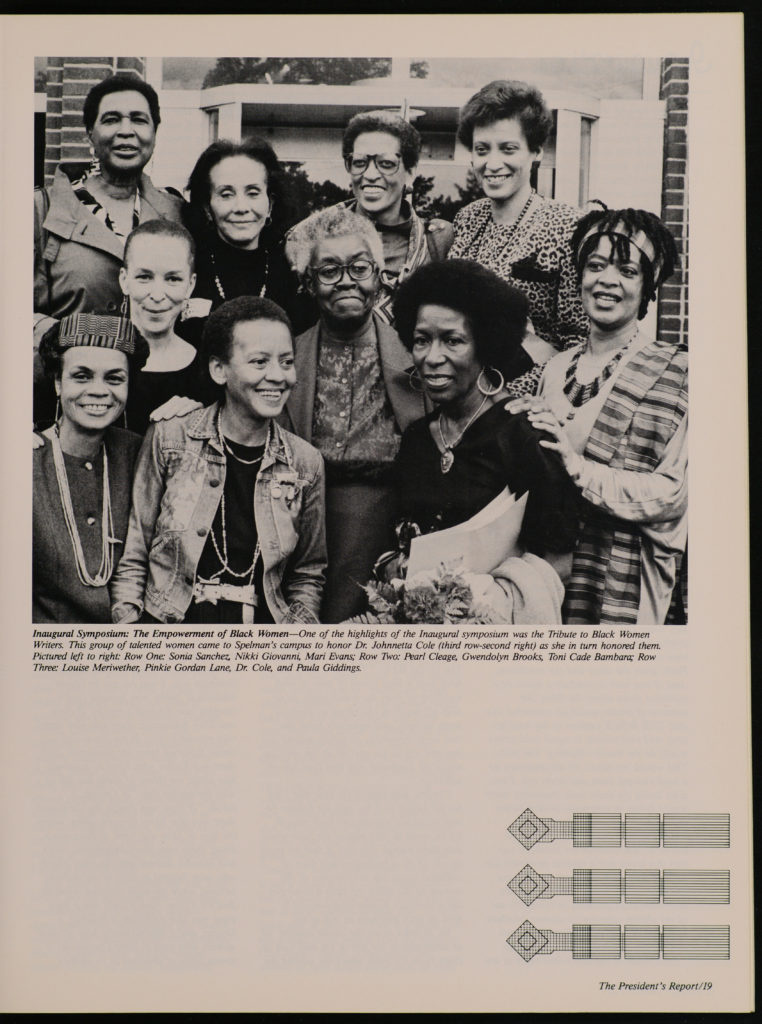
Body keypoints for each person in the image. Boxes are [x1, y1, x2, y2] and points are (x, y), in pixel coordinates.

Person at [513, 207, 687, 625]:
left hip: (623, 592)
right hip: (550, 582)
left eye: (627, 270)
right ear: (579, 276)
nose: (607, 280)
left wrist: (577, 468)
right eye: (595, 266)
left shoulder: (677, 373)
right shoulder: (555, 369)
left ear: (648, 286)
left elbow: (673, 495)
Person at [110, 296, 326, 625]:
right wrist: (130, 633)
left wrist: (296, 643)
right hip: (169, 629)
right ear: (219, 369)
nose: (277, 376)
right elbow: (135, 554)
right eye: (259, 361)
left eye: (286, 361)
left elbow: (307, 575)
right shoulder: (171, 438)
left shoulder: (305, 463)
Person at [388, 260, 581, 623]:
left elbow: (561, 560)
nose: (432, 357)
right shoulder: (417, 439)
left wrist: (484, 605)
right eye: (421, 340)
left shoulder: (524, 434)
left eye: (453, 340)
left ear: (485, 345)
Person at [284, 205, 427, 621]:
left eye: (359, 267)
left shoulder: (417, 357)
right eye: (329, 270)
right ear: (309, 284)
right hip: (302, 526)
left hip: (389, 529)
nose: (346, 281)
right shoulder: (286, 358)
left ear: (380, 278)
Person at [448, 80, 588, 393]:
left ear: (536, 151)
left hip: (530, 402)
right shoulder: (466, 219)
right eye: (482, 150)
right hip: (460, 395)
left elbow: (580, 343)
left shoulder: (568, 226)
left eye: (508, 149)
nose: (492, 163)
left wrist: (506, 397)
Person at [34, 74, 183, 348]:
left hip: (156, 386)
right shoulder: (40, 209)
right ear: (89, 132)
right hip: (71, 382)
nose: (126, 130)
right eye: (111, 119)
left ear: (154, 132)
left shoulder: (176, 212)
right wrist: (76, 335)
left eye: (139, 119)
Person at [33, 314, 149, 622]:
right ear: (58, 382)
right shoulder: (26, 459)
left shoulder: (141, 453)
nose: (99, 390)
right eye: (81, 376)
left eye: (114, 378)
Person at [291, 109, 453, 327]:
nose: (370, 174)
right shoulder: (310, 236)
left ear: (410, 170)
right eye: (359, 163)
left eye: (386, 163)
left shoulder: (439, 242)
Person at [179, 138, 303, 343]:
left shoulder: (292, 275)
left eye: (253, 193)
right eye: (226, 194)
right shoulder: (187, 269)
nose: (241, 207)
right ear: (207, 208)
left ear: (270, 204)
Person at [118, 220, 211, 434]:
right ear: (124, 280)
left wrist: (201, 418)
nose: (158, 295)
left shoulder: (207, 370)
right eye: (144, 277)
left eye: (173, 279)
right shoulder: (98, 358)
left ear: (191, 284)